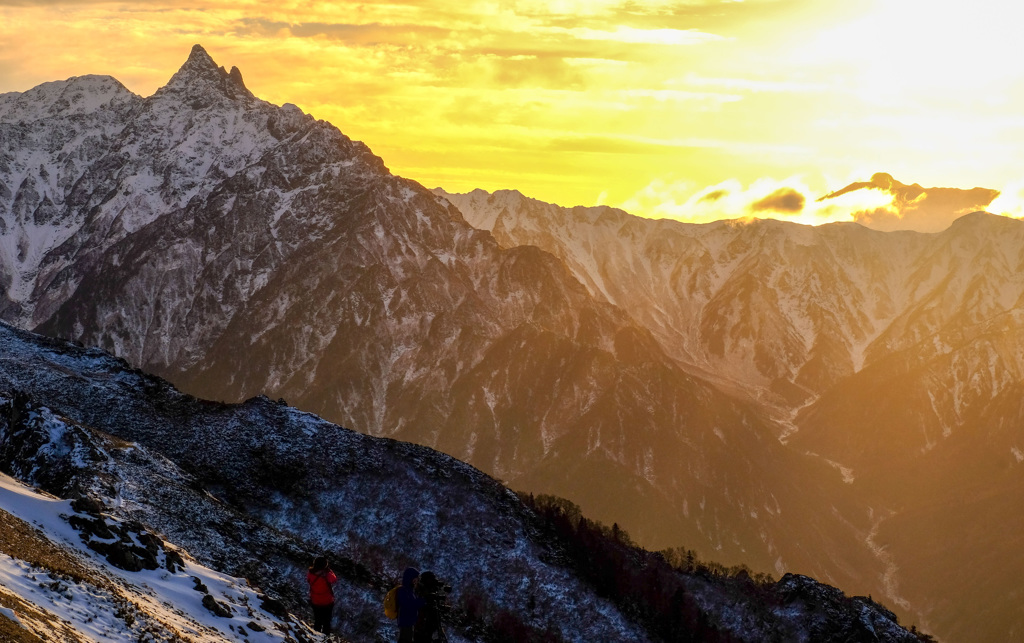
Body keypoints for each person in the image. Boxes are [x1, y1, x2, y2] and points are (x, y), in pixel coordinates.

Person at [413, 571, 449, 643]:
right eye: (431, 580)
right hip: (419, 631)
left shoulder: (424, 591)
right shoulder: (419, 591)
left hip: (423, 630)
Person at [307, 555, 337, 635]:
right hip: (327, 601)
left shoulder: (310, 573)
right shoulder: (327, 575)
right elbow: (334, 579)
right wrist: (329, 570)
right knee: (327, 621)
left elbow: (308, 580)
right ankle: (325, 637)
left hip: (315, 600)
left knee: (318, 620)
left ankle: (316, 636)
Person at [396, 567, 425, 643]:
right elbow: (410, 604)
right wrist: (423, 601)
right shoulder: (402, 590)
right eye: (414, 579)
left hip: (410, 622)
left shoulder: (411, 591)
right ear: (410, 578)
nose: (416, 582)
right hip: (405, 622)